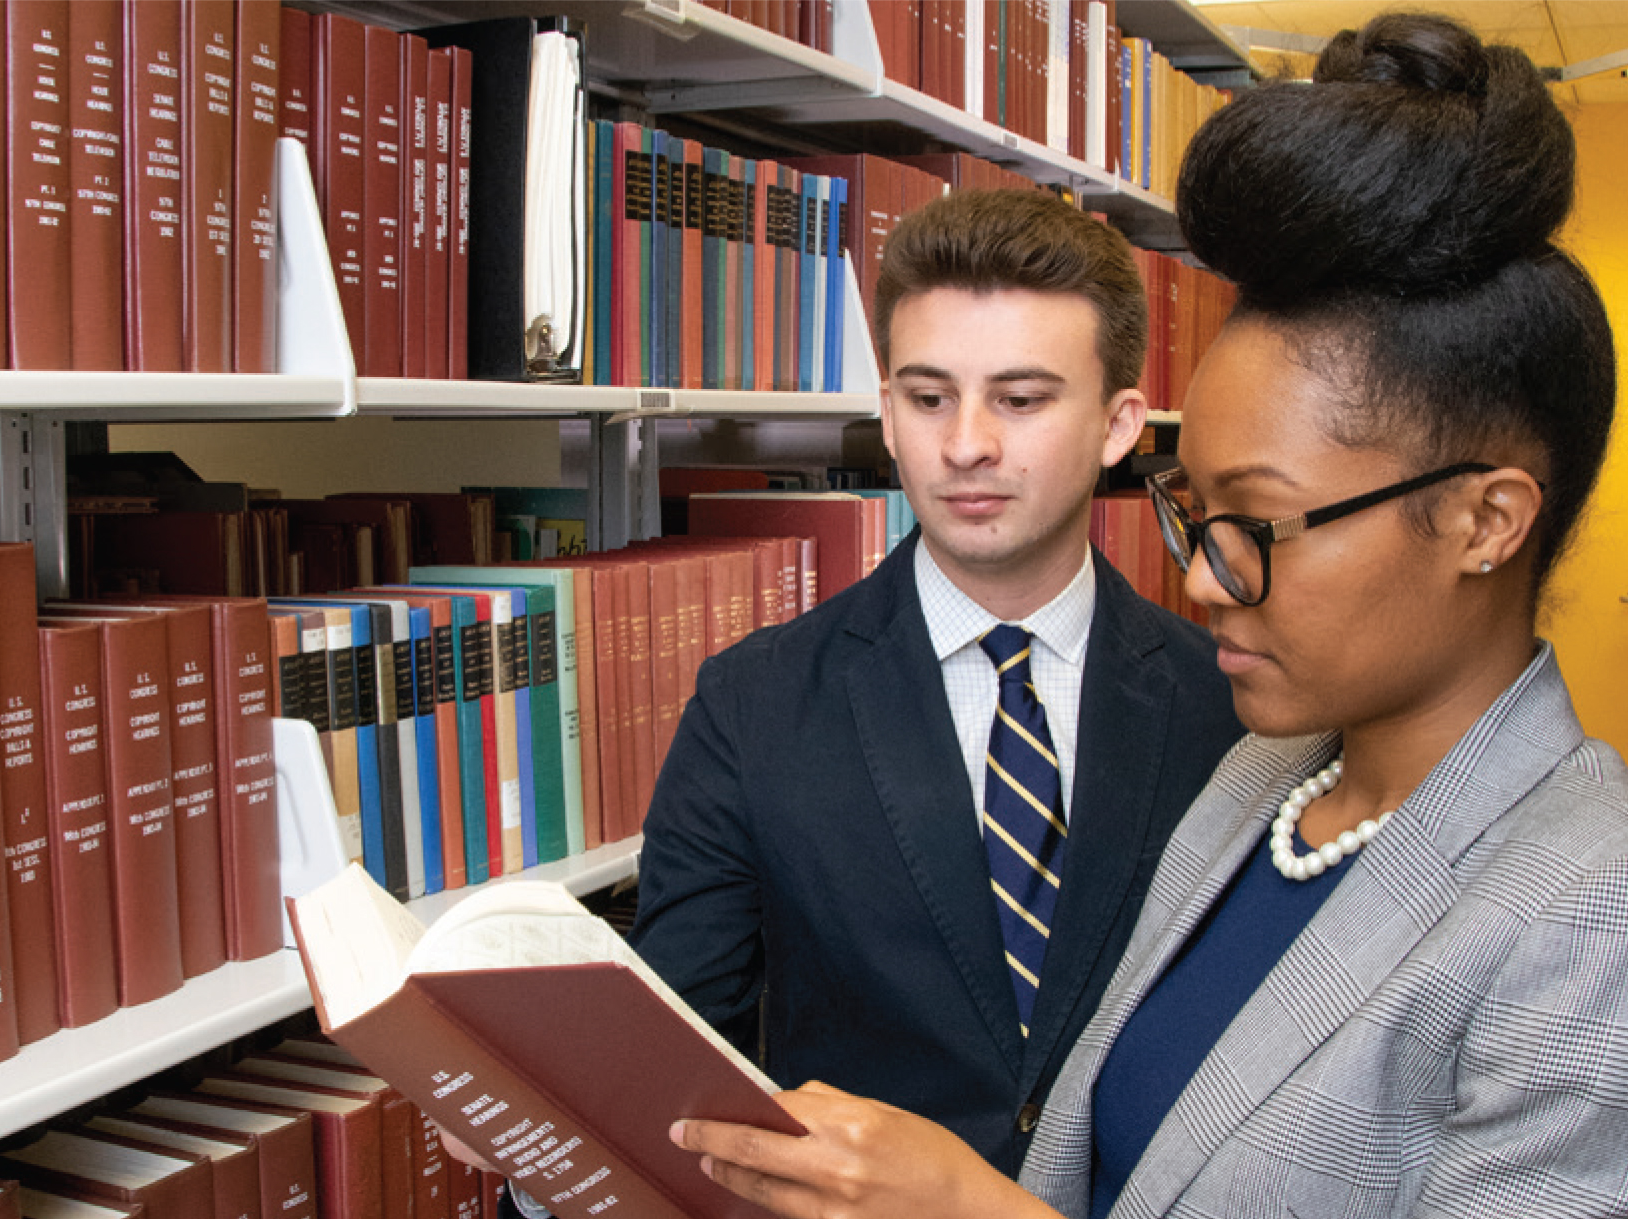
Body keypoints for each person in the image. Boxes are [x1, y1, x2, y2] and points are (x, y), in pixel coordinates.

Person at [670, 12, 1628, 1219]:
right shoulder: (1263, 786)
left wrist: (969, 1208)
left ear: (1486, 521)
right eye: (1197, 513)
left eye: (1258, 527)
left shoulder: (1590, 915)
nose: (1203, 581)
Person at [628, 185, 1245, 1177]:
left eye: (1020, 398)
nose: (965, 444)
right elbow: (676, 1061)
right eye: (927, 397)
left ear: (1119, 423)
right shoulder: (753, 707)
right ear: (887, 410)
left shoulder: (1229, 708)